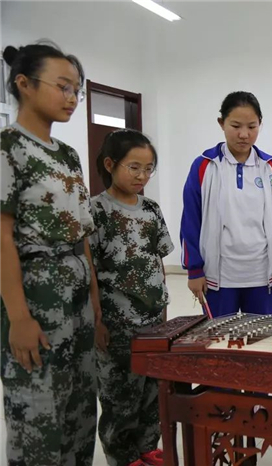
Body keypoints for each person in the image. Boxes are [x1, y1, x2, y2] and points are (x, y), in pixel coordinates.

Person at [0, 41, 98, 465]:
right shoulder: (8, 147)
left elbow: (83, 234)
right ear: (24, 84)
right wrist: (19, 317)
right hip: (37, 299)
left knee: (79, 411)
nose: (72, 98)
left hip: (77, 300)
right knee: (39, 415)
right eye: (62, 87)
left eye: (77, 89)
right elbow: (1, 238)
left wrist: (94, 302)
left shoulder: (69, 156)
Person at [90, 129, 173, 466]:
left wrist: (165, 311)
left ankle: (147, 449)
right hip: (116, 323)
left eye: (149, 168)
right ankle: (121, 455)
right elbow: (90, 272)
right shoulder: (95, 210)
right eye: (134, 167)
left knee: (151, 390)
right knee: (120, 394)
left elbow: (158, 262)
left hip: (153, 321)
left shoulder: (151, 209)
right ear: (110, 164)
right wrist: (97, 321)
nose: (142, 176)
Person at [180, 91, 272, 318]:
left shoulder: (270, 167)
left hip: (261, 273)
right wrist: (194, 270)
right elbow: (191, 220)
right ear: (221, 123)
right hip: (219, 275)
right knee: (218, 340)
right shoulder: (205, 166)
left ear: (260, 124)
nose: (244, 134)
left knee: (259, 340)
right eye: (235, 126)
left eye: (252, 127)